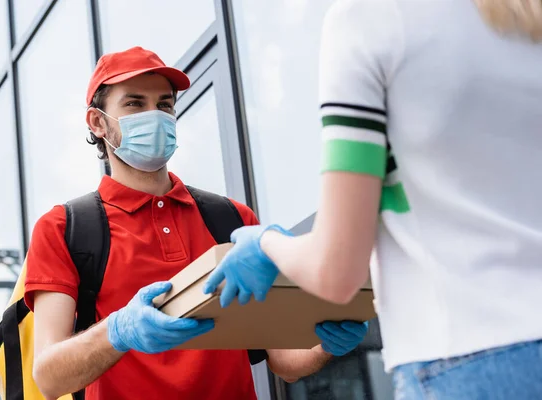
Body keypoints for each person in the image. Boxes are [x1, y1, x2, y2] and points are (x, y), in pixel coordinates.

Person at [203, 0, 542, 398]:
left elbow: (336, 272)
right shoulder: (525, 18)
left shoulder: (371, 20)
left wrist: (265, 244)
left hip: (467, 358)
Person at [25, 46, 368, 400]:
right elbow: (49, 378)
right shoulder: (64, 228)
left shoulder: (233, 220)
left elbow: (282, 359)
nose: (154, 115)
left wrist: (325, 344)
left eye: (164, 105)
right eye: (134, 103)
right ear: (98, 122)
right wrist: (119, 330)